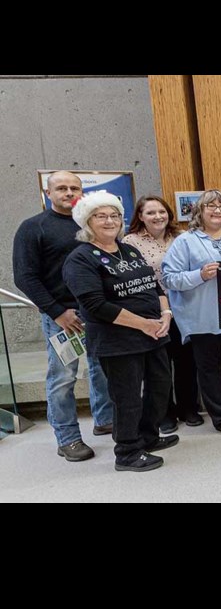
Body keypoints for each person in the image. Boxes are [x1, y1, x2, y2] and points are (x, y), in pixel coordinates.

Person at [63, 191, 175, 472]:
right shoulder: (81, 258)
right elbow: (95, 305)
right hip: (118, 340)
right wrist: (143, 323)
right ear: (87, 222)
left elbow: (155, 286)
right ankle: (127, 451)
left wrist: (165, 314)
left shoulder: (129, 250)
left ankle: (147, 437)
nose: (109, 221)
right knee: (126, 398)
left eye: (114, 215)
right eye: (101, 216)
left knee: (160, 388)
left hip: (154, 334)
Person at [13, 171, 113, 461]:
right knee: (63, 377)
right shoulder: (33, 227)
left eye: (74, 188)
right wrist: (57, 312)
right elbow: (25, 277)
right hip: (62, 317)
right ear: (48, 192)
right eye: (61, 188)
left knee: (102, 370)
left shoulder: (91, 224)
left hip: (97, 312)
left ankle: (105, 419)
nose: (68, 193)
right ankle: (67, 437)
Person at [162, 189, 221, 437]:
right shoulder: (186, 241)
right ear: (199, 211)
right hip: (205, 315)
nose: (217, 210)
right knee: (210, 367)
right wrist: (199, 275)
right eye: (211, 206)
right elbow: (169, 278)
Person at [124, 195, 202, 433]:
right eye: (150, 212)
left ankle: (189, 407)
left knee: (187, 361)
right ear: (140, 216)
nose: (158, 216)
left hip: (185, 306)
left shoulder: (181, 237)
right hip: (154, 310)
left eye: (161, 212)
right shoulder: (130, 242)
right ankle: (164, 412)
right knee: (159, 365)